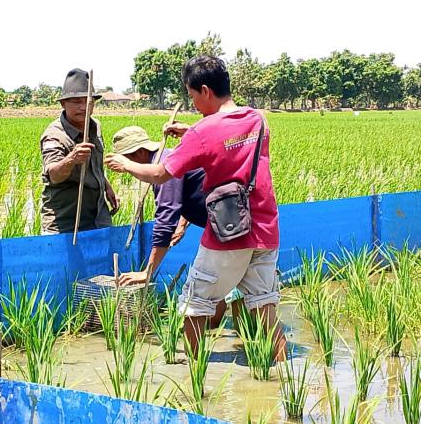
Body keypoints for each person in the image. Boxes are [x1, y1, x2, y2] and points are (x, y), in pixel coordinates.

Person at [105, 55, 287, 361]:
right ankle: (284, 378)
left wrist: (125, 164)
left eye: (192, 97)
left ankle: (192, 375)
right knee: (264, 305)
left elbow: (161, 173)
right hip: (265, 228)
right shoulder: (257, 119)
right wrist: (190, 132)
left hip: (230, 231)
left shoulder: (202, 132)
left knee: (193, 303)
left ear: (204, 90)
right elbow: (230, 137)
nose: (193, 105)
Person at [111, 125, 244, 326]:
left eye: (128, 164)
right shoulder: (170, 155)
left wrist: (148, 271)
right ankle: (243, 337)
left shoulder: (164, 166)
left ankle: (198, 350)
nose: (131, 173)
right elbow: (198, 189)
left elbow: (165, 218)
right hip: (238, 223)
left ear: (139, 153)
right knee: (248, 293)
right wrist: (183, 223)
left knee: (197, 297)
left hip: (228, 230)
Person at [40, 68, 118, 234]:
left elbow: (94, 165)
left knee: (104, 258)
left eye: (88, 101)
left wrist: (106, 186)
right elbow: (53, 175)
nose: (83, 107)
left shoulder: (94, 126)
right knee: (62, 261)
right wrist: (71, 159)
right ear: (63, 103)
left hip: (97, 217)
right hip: (66, 221)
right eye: (76, 102)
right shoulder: (55, 136)